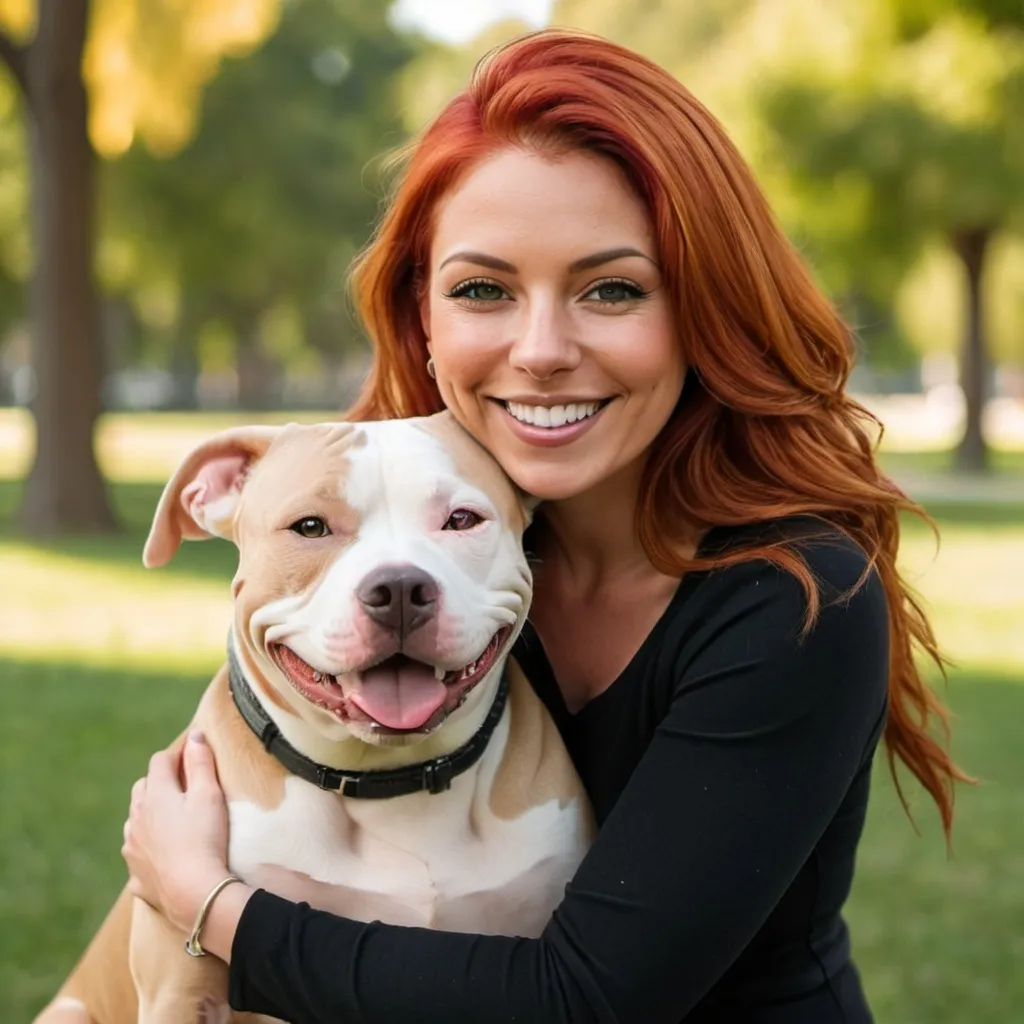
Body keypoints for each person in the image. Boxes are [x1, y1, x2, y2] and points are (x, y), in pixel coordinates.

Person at [122, 28, 967, 1023]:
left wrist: (212, 909)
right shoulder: (422, 527)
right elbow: (211, 815)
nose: (542, 349)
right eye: (482, 289)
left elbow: (583, 1001)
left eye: (611, 289)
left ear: (704, 304)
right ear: (422, 315)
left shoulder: (795, 597)